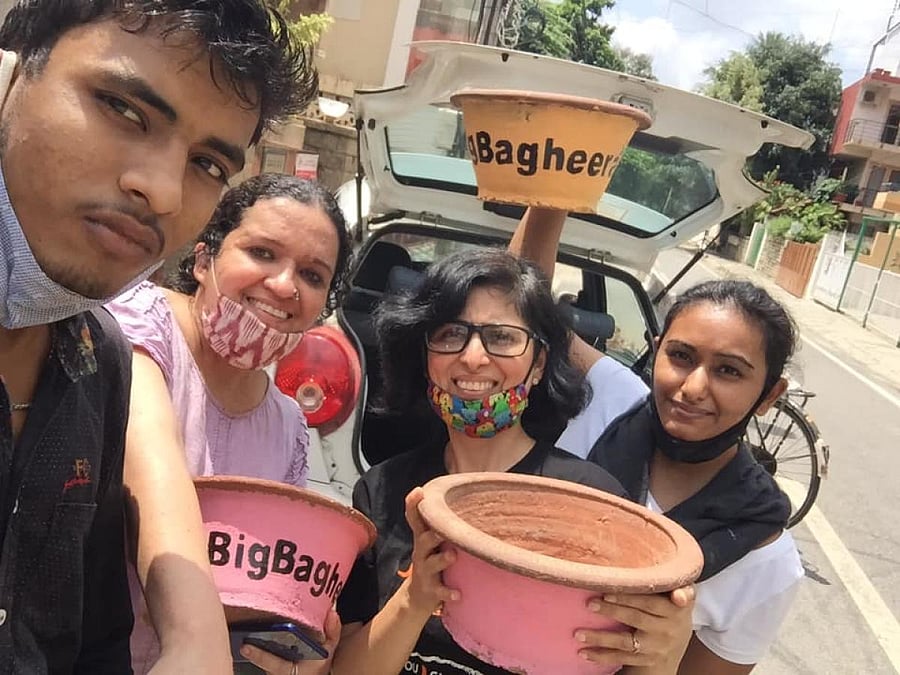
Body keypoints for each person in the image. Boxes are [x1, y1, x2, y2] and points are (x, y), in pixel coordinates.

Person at [0, 0, 312, 671]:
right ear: (12, 71)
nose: (163, 190)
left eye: (207, 164)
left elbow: (93, 642)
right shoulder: (141, 348)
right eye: (124, 110)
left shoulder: (95, 363)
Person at [330, 249, 696, 675]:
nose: (472, 357)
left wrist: (663, 657)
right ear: (424, 357)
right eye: (450, 333)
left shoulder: (591, 504)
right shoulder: (382, 492)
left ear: (538, 363)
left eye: (501, 337)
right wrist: (414, 599)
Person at [510, 208, 804, 674]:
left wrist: (659, 660)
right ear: (656, 349)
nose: (693, 388)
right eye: (681, 356)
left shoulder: (765, 562)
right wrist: (556, 193)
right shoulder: (608, 399)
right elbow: (526, 310)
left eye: (729, 371)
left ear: (769, 395)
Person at [106, 173, 352, 674]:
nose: (284, 285)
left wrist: (296, 643)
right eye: (262, 253)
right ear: (203, 260)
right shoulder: (139, 330)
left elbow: (263, 583)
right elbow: (151, 462)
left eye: (311, 275)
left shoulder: (287, 428)